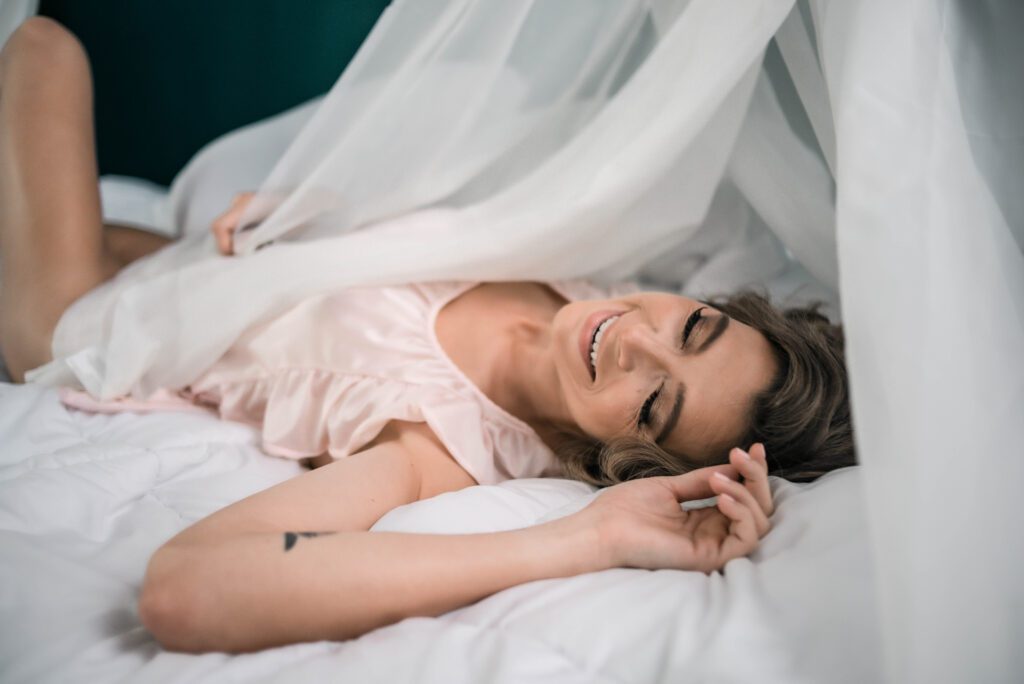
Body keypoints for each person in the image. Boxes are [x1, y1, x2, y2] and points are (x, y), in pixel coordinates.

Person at [0, 18, 853, 653]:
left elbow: (181, 592)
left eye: (657, 401)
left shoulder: (436, 445)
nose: (640, 343)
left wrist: (587, 537)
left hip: (94, 319)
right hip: (187, 263)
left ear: (629, 460)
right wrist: (307, 226)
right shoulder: (579, 266)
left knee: (40, 49)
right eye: (695, 328)